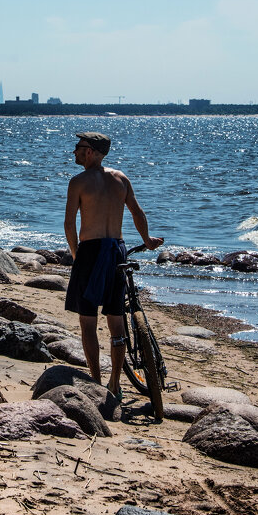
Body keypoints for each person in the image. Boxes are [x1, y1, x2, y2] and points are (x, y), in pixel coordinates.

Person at [64, 131, 163, 398]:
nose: (73, 151)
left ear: (90, 152)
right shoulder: (121, 179)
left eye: (78, 147)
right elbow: (137, 212)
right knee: (116, 321)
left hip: (91, 250)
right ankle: (115, 384)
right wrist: (148, 240)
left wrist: (76, 256)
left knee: (88, 322)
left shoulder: (78, 182)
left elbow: (69, 225)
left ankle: (96, 381)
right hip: (117, 250)